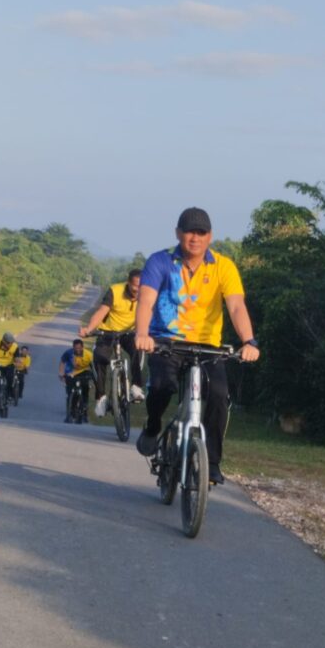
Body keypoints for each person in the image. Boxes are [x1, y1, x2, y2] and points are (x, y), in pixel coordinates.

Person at [134, 207, 259, 484]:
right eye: (189, 231)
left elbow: (236, 306)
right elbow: (145, 300)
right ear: (178, 233)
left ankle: (211, 462)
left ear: (210, 236)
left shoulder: (223, 266)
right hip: (166, 341)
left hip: (207, 347)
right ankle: (153, 425)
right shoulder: (160, 261)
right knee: (162, 386)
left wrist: (248, 341)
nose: (195, 237)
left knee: (218, 396)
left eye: (201, 232)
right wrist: (142, 333)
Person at [80, 269, 145, 417]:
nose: (138, 290)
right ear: (128, 283)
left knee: (138, 348)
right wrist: (89, 329)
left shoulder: (147, 293)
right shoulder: (115, 291)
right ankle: (101, 398)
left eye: (141, 286)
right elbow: (101, 312)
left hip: (130, 332)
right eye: (135, 286)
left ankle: (136, 386)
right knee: (99, 358)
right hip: (108, 332)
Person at [58, 338, 94, 423]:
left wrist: (93, 377)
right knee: (70, 393)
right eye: (75, 348)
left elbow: (94, 366)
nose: (77, 350)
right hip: (71, 372)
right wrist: (61, 373)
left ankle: (85, 413)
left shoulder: (88, 355)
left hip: (84, 372)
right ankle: (69, 414)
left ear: (82, 347)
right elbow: (62, 362)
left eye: (79, 348)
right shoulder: (68, 353)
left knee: (85, 390)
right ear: (73, 347)